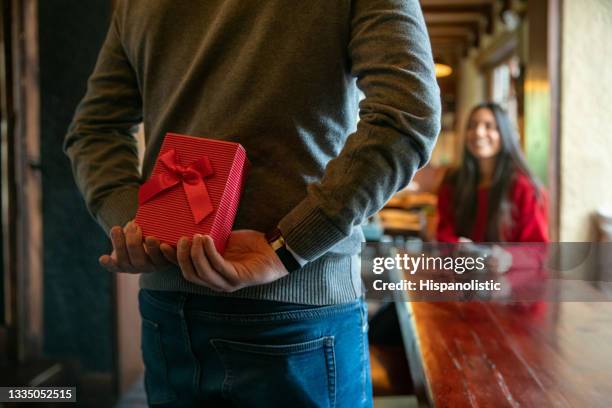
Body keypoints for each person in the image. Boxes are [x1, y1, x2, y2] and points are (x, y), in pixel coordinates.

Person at [64, 0, 441, 406]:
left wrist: (135, 224)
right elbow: (408, 115)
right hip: (300, 305)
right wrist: (288, 245)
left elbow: (94, 130)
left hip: (170, 308)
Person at [437, 102, 548, 243]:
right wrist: (457, 245)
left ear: (504, 134)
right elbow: (443, 232)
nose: (478, 132)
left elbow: (537, 248)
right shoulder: (452, 182)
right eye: (472, 125)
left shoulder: (525, 188)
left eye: (488, 126)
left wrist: (508, 259)